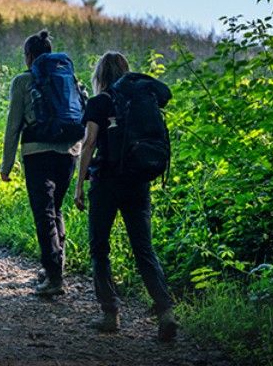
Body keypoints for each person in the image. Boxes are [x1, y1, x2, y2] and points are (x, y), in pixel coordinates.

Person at [73, 51, 178, 341]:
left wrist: (79, 184)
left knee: (99, 248)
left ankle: (110, 314)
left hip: (106, 183)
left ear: (100, 76)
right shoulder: (141, 101)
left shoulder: (99, 102)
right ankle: (166, 311)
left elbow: (90, 142)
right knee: (144, 249)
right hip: (137, 182)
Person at [0, 30, 81, 296]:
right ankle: (54, 268)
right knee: (56, 209)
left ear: (29, 57)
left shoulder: (23, 81)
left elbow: (13, 126)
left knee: (43, 212)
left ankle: (54, 278)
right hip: (70, 151)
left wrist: (7, 164)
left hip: (37, 152)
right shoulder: (70, 79)